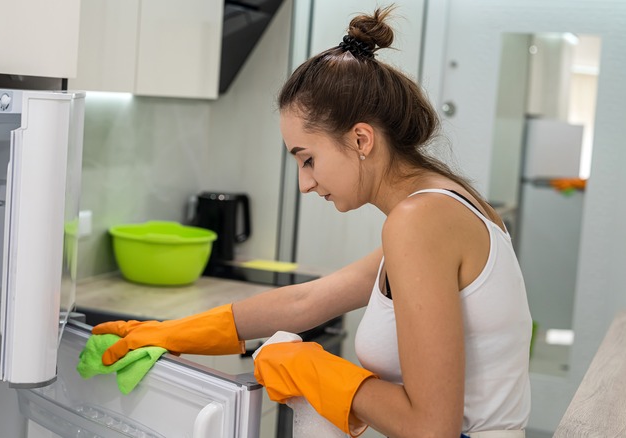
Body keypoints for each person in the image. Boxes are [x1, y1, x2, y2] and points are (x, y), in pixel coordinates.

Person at [92, 6, 532, 438]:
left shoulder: (420, 219)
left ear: (361, 139)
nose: (305, 184)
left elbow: (430, 429)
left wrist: (313, 367)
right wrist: (172, 332)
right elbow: (308, 302)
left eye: (308, 159)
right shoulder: (442, 205)